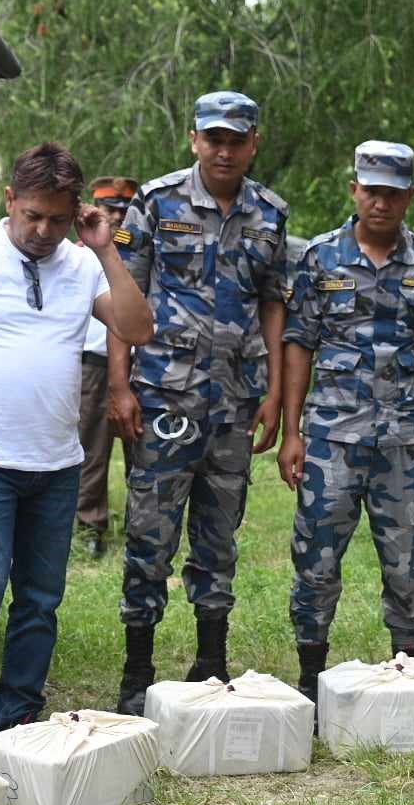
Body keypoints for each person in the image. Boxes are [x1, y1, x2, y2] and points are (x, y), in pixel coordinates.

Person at [0, 144, 151, 752]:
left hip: (56, 462)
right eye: (32, 217)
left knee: (41, 599)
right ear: (10, 201)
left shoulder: (83, 263)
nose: (43, 231)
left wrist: (104, 249)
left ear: (76, 212)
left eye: (57, 218)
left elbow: (137, 327)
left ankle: (16, 719)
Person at [109, 91, 289, 714]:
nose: (224, 149)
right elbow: (121, 297)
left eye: (236, 139)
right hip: (165, 394)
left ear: (253, 143)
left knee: (219, 533)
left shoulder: (270, 212)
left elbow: (273, 302)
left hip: (235, 401)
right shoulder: (157, 203)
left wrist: (275, 394)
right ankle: (138, 668)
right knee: (150, 531)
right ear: (194, 140)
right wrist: (119, 384)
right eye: (213, 138)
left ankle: (211, 657)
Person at [278, 141, 414, 694]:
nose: (379, 203)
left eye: (392, 194)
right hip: (331, 438)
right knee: (316, 562)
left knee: (408, 564)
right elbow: (298, 343)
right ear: (353, 189)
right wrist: (292, 433)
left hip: (403, 439)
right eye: (370, 191)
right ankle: (311, 677)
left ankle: (407, 671)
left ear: (409, 196)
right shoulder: (319, 258)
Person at [76, 176, 141, 555]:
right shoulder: (77, 254)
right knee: (91, 449)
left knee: (141, 446)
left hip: (138, 364)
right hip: (91, 364)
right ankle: (90, 528)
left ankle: (142, 523)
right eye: (110, 208)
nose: (117, 215)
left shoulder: (143, 252)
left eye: (124, 209)